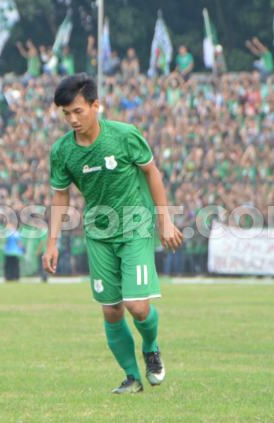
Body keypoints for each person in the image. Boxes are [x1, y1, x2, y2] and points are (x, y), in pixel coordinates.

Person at [42, 74, 184, 394]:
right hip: (98, 233)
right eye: (66, 114)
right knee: (111, 309)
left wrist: (164, 220)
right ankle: (132, 377)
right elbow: (61, 195)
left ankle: (151, 347)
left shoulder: (124, 135)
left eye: (78, 111)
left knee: (137, 306)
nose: (73, 119)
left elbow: (152, 172)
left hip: (135, 225)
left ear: (96, 106)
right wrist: (52, 242)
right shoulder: (62, 151)